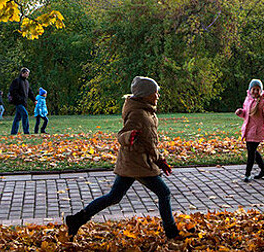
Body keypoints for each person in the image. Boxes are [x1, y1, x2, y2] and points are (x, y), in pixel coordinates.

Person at [65, 76, 179, 240]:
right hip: (139, 163)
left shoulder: (146, 111)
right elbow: (122, 135)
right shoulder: (138, 113)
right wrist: (129, 137)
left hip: (133, 162)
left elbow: (149, 141)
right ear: (144, 95)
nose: (157, 96)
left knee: (114, 197)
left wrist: (160, 160)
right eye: (154, 93)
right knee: (164, 193)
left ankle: (76, 219)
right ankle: (172, 232)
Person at [235, 79, 264, 182]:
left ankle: (247, 174)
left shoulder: (263, 102)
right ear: (250, 89)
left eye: (258, 89)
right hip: (248, 130)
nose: (255, 92)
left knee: (251, 152)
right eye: (254, 89)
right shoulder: (248, 99)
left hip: (257, 131)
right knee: (252, 151)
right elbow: (246, 114)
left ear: (261, 90)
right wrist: (241, 112)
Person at [9, 67, 36, 135]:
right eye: (26, 73)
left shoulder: (26, 82)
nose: (27, 75)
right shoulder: (16, 81)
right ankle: (26, 131)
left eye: (28, 74)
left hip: (23, 102)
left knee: (17, 118)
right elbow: (12, 91)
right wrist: (19, 99)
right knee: (25, 114)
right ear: (22, 73)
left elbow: (30, 92)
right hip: (18, 102)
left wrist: (34, 100)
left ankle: (13, 132)